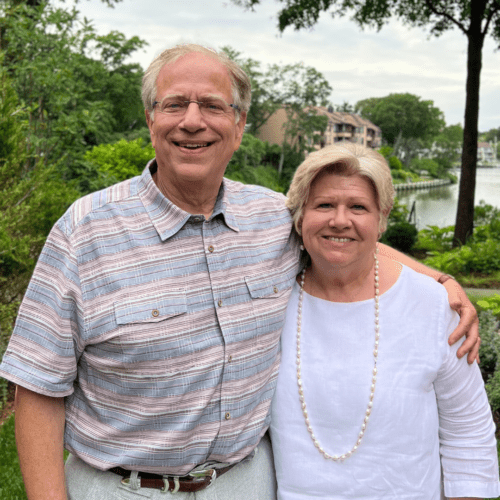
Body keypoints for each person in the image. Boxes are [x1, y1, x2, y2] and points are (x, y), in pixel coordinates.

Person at [0, 45, 479, 500]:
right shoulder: (85, 232)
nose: (192, 121)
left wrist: (440, 281)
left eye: (211, 104)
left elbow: (345, 235)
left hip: (246, 483)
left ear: (239, 123)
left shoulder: (272, 217)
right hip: (119, 487)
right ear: (151, 119)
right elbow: (38, 386)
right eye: (174, 105)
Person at [270, 142, 499, 499]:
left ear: (382, 219)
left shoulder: (431, 306)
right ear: (299, 216)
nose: (340, 220)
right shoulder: (269, 302)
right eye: (324, 205)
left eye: (358, 207)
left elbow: (468, 432)